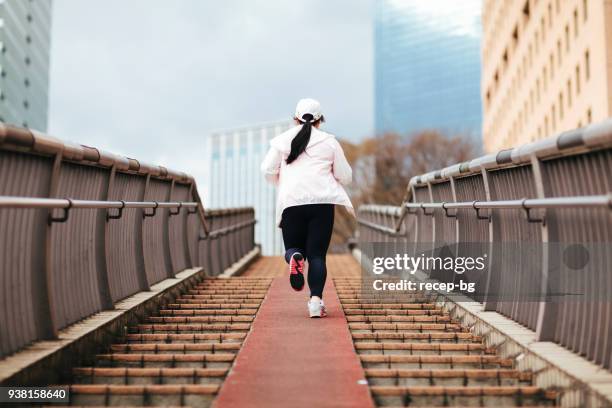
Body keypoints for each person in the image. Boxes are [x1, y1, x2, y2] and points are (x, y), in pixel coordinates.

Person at [260, 98, 354, 317]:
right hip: (321, 204)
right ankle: (315, 303)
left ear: (295, 119)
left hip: (291, 202)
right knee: (317, 256)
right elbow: (346, 176)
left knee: (294, 247)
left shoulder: (281, 141)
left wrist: (282, 183)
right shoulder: (330, 142)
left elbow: (267, 169)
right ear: (320, 120)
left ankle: (294, 257)